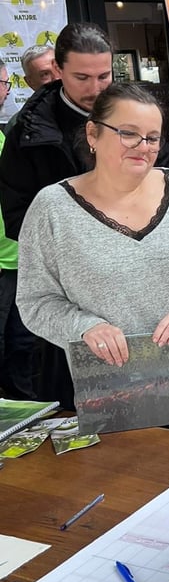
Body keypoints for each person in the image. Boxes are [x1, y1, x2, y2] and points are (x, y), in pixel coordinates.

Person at [16, 83, 169, 432]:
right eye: (128, 133)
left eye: (153, 138)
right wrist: (84, 327)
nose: (143, 147)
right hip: (107, 393)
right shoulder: (52, 208)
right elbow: (35, 301)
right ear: (92, 134)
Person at [0, 22, 169, 241]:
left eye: (103, 76)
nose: (95, 89)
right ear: (58, 69)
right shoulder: (28, 132)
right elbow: (18, 219)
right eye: (82, 78)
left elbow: (166, 184)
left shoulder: (137, 115)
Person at [0, 128, 38, 400]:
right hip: (5, 263)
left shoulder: (7, 137)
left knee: (23, 342)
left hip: (21, 258)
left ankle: (27, 405)